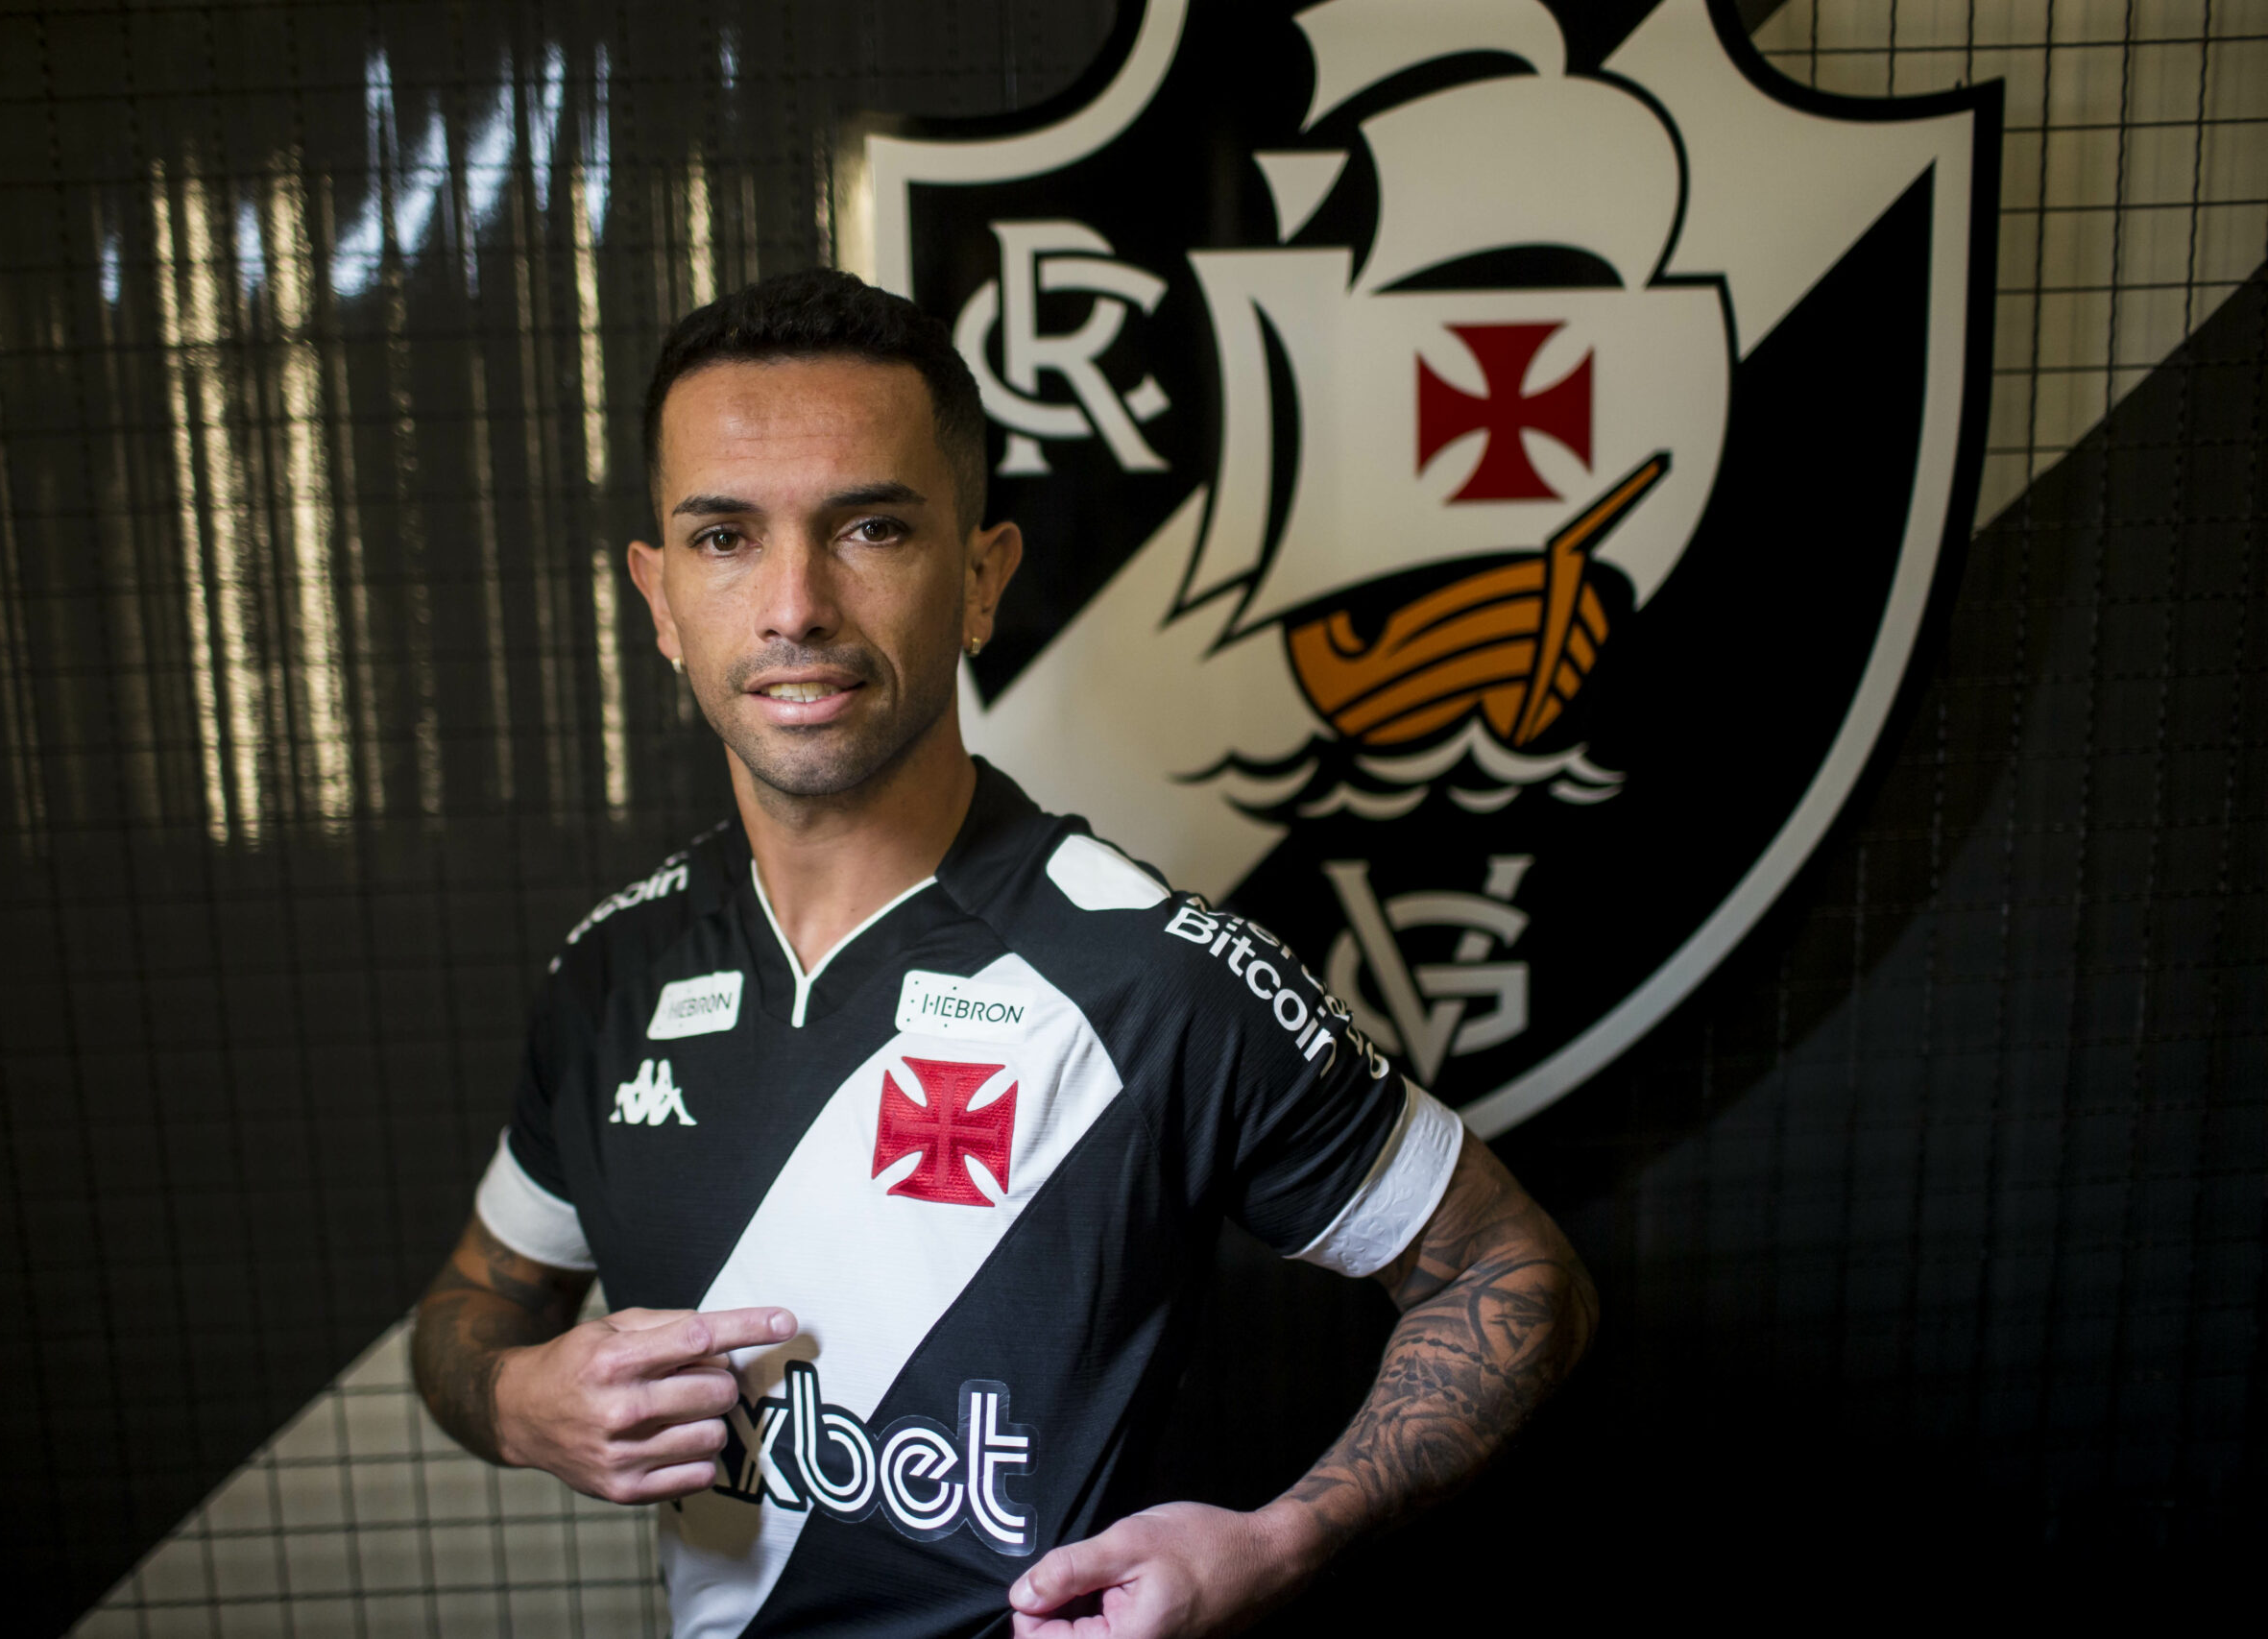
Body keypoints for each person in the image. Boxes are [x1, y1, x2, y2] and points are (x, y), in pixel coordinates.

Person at [410, 267, 1596, 1638]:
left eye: (870, 528)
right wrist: (515, 1400)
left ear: (980, 578)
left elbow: (1514, 1273)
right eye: (725, 537)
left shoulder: (1153, 974)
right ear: (661, 597)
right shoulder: (609, 978)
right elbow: (473, 1305)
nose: (795, 604)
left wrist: (1283, 1542)